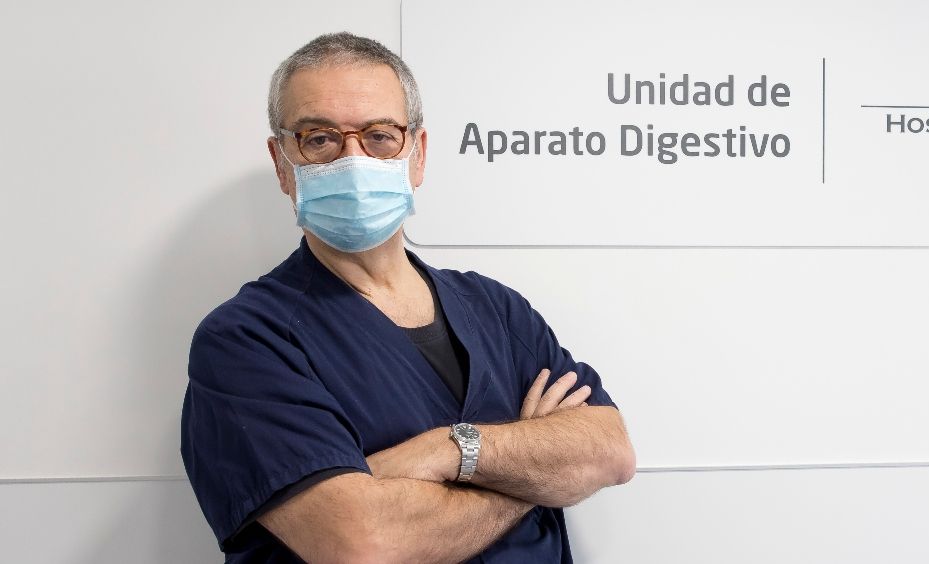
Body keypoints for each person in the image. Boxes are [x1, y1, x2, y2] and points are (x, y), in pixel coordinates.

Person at [180, 32, 636, 563]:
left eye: (380, 136)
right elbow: (364, 544)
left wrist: (448, 449)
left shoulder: (495, 308)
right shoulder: (245, 341)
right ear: (283, 164)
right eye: (319, 138)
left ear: (418, 155)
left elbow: (609, 451)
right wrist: (534, 472)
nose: (353, 160)